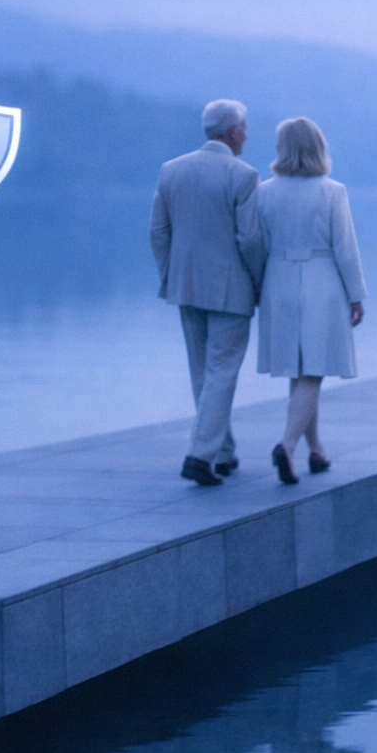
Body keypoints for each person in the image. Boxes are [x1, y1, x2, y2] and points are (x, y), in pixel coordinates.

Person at [150, 99, 267, 486]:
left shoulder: (171, 170)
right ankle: (199, 456)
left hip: (185, 285)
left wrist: (171, 274)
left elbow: (158, 232)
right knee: (222, 373)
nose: (247, 134)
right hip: (231, 289)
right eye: (244, 127)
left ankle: (223, 451)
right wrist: (260, 282)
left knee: (203, 373)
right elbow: (250, 239)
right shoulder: (244, 175)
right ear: (232, 131)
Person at [254, 117, 366, 484]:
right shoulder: (332, 191)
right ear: (319, 146)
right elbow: (346, 250)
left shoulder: (265, 191)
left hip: (278, 281)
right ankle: (286, 445)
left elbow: (257, 245)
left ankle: (315, 450)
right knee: (313, 369)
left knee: (299, 368)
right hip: (322, 281)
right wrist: (356, 295)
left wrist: (259, 287)